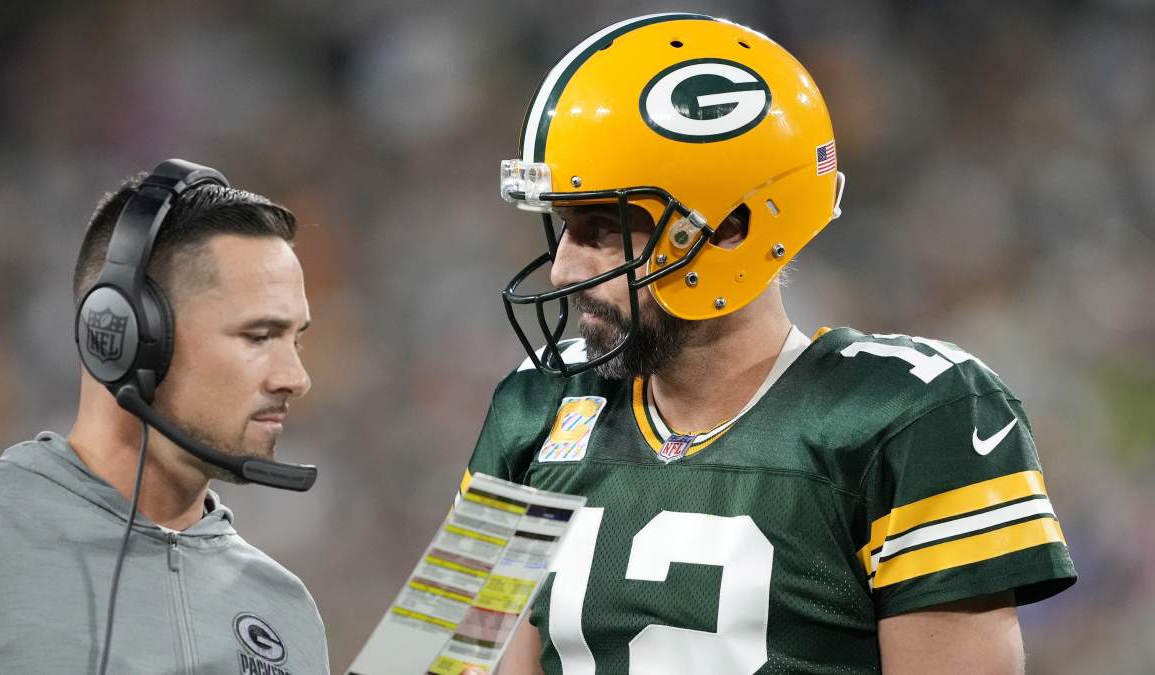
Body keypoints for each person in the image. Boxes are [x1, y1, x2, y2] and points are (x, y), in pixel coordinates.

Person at [461, 13, 1076, 675]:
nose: (564, 268)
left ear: (730, 227)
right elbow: (447, 652)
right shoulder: (535, 402)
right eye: (562, 225)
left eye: (604, 227)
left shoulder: (915, 416)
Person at [0, 160, 329, 674]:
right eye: (259, 336)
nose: (297, 378)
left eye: (296, 339)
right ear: (127, 337)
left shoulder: (287, 611)